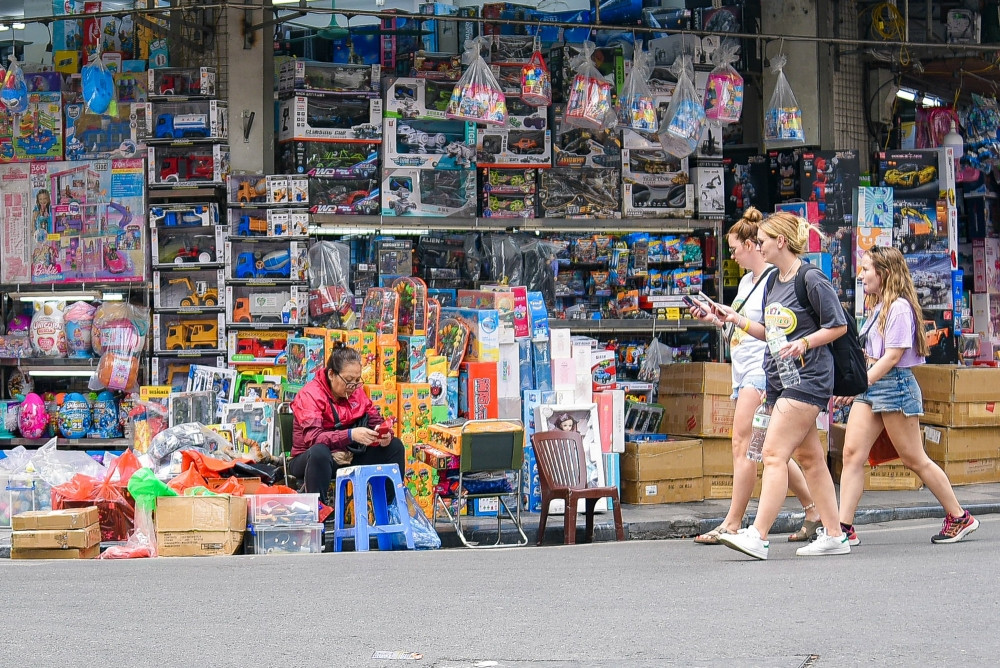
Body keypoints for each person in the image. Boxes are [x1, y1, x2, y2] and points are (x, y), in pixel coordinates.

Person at [714, 212, 851, 559]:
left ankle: (758, 535)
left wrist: (805, 343)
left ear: (781, 242)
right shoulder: (774, 280)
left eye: (762, 240)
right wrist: (736, 319)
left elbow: (838, 326)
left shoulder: (811, 278)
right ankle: (834, 534)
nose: (757, 245)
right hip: (780, 379)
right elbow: (769, 331)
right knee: (811, 459)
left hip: (808, 379)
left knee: (773, 454)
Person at [691, 207, 823, 545]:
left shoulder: (775, 278)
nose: (732, 255)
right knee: (774, 451)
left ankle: (734, 523)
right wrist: (720, 318)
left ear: (754, 244)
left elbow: (770, 329)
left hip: (761, 373)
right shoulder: (750, 282)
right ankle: (814, 510)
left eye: (736, 248)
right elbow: (745, 327)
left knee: (746, 445)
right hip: (746, 370)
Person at [838, 246, 978, 544]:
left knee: (914, 459)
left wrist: (858, 385)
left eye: (866, 269)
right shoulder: (878, 306)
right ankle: (843, 528)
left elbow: (891, 358)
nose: (861, 275)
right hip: (873, 386)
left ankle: (959, 516)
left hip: (894, 386)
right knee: (852, 455)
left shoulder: (899, 307)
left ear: (884, 273)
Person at [289, 343, 405, 505]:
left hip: (349, 456)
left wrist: (383, 433)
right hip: (312, 459)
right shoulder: (310, 395)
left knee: (395, 446)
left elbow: (374, 418)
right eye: (349, 380)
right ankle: (318, 514)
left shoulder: (355, 391)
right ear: (331, 374)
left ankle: (389, 509)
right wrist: (351, 435)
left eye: (357, 380)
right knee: (319, 452)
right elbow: (313, 439)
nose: (354, 386)